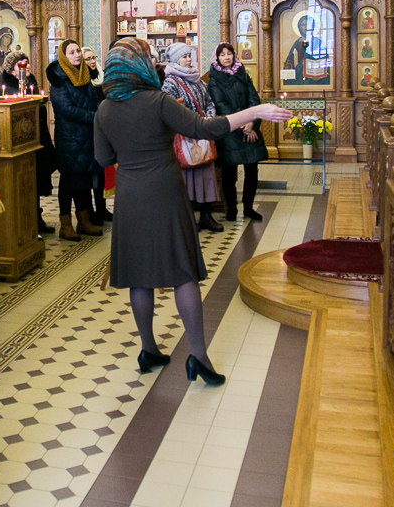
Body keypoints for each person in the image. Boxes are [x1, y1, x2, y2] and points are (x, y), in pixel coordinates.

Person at [94, 39, 290, 384]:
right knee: (183, 271)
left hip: (129, 195)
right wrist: (254, 112)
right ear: (140, 66)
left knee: (138, 275)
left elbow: (103, 158)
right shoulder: (158, 101)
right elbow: (203, 128)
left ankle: (148, 349)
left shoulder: (104, 110)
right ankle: (198, 356)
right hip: (164, 192)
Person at [161, 43, 223, 233]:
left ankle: (206, 215)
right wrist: (191, 123)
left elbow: (209, 102)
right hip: (185, 137)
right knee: (186, 180)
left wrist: (208, 119)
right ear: (175, 60)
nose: (189, 59)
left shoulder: (198, 80)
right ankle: (188, 219)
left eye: (190, 56)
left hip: (202, 134)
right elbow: (171, 109)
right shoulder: (170, 82)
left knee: (206, 176)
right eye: (184, 56)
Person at [0, 52, 57, 234]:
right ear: (11, 69)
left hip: (36, 143)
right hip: (18, 147)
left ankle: (37, 218)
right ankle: (24, 222)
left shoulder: (31, 86)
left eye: (27, 63)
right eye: (21, 64)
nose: (26, 66)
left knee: (35, 184)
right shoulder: (3, 92)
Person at [47, 39, 103, 240]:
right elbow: (67, 110)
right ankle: (65, 225)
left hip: (87, 137)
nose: (77, 55)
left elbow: (92, 100)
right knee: (69, 182)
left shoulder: (84, 75)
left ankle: (84, 221)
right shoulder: (59, 79)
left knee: (84, 181)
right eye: (71, 52)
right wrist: (94, 117)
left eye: (78, 51)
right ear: (63, 57)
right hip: (70, 138)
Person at [208, 43, 267, 222]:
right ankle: (231, 209)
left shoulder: (243, 73)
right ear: (217, 58)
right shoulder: (214, 79)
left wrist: (252, 123)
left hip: (249, 128)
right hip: (230, 130)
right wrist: (243, 122)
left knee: (252, 171)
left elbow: (254, 99)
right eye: (222, 55)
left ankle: (248, 208)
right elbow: (221, 105)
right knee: (229, 172)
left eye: (229, 53)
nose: (226, 57)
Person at [82, 46, 113, 223]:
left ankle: (101, 208)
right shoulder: (82, 81)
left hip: (103, 129)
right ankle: (90, 212)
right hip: (89, 131)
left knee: (101, 172)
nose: (92, 61)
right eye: (87, 59)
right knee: (90, 175)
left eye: (93, 58)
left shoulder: (102, 77)